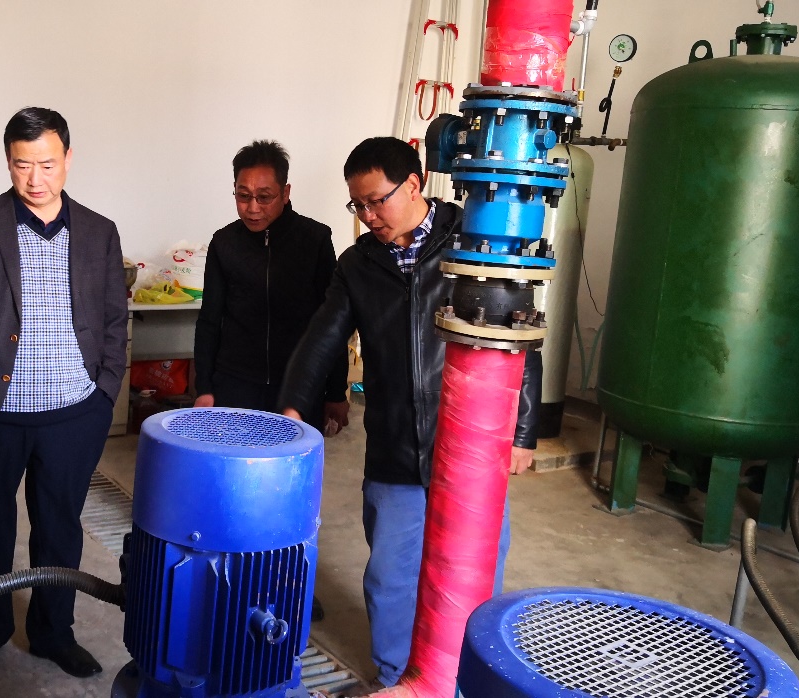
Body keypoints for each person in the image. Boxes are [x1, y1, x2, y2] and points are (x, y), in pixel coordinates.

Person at [279, 137, 540, 688]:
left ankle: (462, 678)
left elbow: (517, 337)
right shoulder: (358, 264)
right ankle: (401, 680)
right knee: (391, 578)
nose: (367, 216)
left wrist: (523, 431)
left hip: (468, 447)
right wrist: (293, 407)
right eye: (358, 205)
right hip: (395, 445)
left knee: (473, 574)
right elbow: (323, 337)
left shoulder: (473, 242)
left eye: (376, 201)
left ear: (415, 185)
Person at [0, 107, 127, 680]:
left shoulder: (99, 231)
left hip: (74, 412)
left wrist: (104, 392)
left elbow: (115, 318)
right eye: (22, 164)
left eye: (47, 164)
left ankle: (53, 634)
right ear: (8, 161)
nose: (35, 178)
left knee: (59, 529)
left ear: (68, 159)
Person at [193, 140, 349, 436]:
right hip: (235, 382)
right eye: (243, 196)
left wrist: (336, 391)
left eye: (264, 197)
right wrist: (204, 387)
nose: (252, 208)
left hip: (298, 385)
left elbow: (332, 323)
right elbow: (209, 320)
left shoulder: (314, 240)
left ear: (285, 193)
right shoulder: (224, 243)